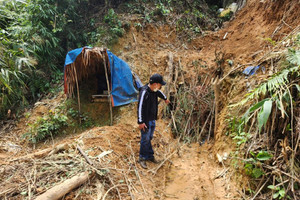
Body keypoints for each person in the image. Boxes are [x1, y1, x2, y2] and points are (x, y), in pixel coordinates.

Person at [137, 73, 170, 169]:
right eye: (160, 85)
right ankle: (142, 157)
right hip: (145, 121)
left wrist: (165, 99)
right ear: (155, 84)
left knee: (149, 137)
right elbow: (140, 108)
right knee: (145, 138)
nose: (160, 87)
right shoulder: (144, 92)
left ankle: (149, 156)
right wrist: (140, 122)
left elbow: (160, 93)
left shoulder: (154, 91)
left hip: (152, 119)